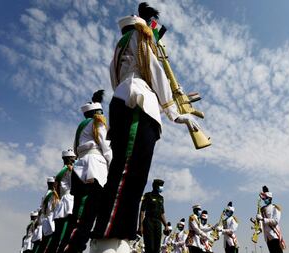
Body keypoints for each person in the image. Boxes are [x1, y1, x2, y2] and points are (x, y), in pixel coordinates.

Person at [90, 2, 201, 251]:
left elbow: (124, 78)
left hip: (129, 100)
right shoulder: (139, 38)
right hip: (139, 103)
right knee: (129, 172)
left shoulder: (119, 50)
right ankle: (110, 235)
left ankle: (117, 235)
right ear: (144, 27)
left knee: (130, 173)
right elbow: (154, 70)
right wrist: (174, 111)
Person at [64, 90, 112, 253]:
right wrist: (112, 163)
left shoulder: (80, 127)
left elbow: (77, 150)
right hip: (94, 164)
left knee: (79, 211)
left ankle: (69, 245)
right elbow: (105, 145)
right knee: (92, 208)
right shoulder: (98, 121)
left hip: (80, 166)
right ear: (97, 112)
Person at [47, 149, 76, 253]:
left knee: (60, 233)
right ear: (69, 158)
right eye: (73, 158)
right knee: (66, 231)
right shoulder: (68, 169)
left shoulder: (65, 170)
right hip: (68, 200)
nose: (75, 159)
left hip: (64, 201)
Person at [137, 179, 169, 253]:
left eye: (162, 186)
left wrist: (166, 225)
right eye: (160, 186)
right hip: (148, 222)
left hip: (158, 223)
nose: (162, 187)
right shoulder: (147, 195)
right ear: (155, 186)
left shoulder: (161, 198)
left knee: (157, 248)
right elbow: (142, 211)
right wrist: (140, 226)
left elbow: (162, 213)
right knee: (149, 247)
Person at [256, 186, 286, 253]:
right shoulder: (262, 209)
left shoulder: (275, 208)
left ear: (270, 198)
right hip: (267, 237)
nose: (264, 200)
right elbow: (261, 222)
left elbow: (275, 221)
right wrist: (259, 228)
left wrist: (263, 219)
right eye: (264, 199)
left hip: (274, 234)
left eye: (266, 198)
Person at [37, 177, 59, 253]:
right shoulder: (52, 194)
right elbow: (55, 207)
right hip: (51, 218)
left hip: (46, 219)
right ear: (53, 184)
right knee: (50, 241)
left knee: (45, 242)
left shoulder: (46, 194)